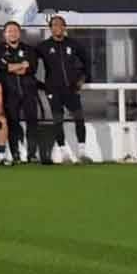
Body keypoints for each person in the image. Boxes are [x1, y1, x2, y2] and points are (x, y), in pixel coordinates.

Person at [35, 15, 91, 163]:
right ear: (50, 28)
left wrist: (82, 80)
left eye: (60, 25)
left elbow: (87, 63)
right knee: (58, 121)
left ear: (65, 27)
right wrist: (41, 84)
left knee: (79, 119)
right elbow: (31, 63)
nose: (57, 27)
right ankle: (64, 154)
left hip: (72, 89)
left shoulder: (74, 44)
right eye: (54, 25)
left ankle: (82, 153)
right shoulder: (43, 46)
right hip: (53, 91)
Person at [0, 21, 44, 163]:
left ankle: (32, 154)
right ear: (4, 34)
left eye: (15, 30)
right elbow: (1, 66)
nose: (12, 33)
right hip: (10, 92)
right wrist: (21, 65)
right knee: (12, 122)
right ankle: (15, 153)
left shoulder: (29, 49)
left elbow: (31, 68)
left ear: (19, 33)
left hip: (29, 91)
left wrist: (12, 66)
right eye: (9, 31)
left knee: (32, 122)